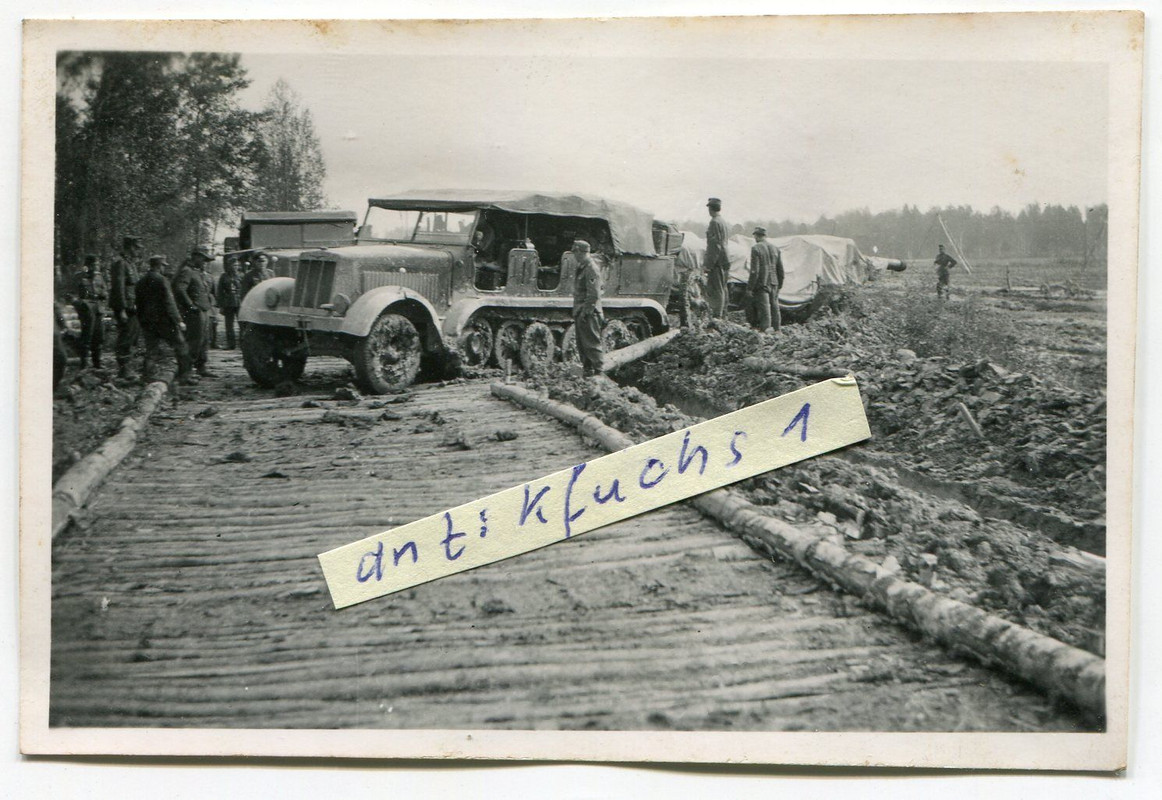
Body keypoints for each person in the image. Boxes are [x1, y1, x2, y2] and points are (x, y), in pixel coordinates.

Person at [135, 254, 192, 385]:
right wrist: (178, 320)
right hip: (164, 321)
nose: (164, 268)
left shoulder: (141, 281)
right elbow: (169, 302)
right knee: (181, 345)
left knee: (151, 350)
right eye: (163, 266)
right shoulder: (162, 280)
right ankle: (185, 376)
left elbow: (138, 303)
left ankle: (146, 377)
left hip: (147, 321)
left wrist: (142, 319)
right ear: (159, 266)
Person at [173, 246, 214, 377]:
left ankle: (201, 366)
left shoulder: (198, 272)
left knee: (204, 340)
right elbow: (179, 289)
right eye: (203, 259)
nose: (205, 262)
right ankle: (187, 371)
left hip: (203, 310)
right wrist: (190, 305)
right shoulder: (187, 271)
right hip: (195, 312)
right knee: (194, 341)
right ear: (196, 257)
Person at [109, 235, 144, 380]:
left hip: (132, 306)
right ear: (129, 247)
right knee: (126, 337)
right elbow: (119, 287)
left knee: (132, 336)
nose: (138, 251)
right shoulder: (120, 263)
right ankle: (124, 369)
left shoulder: (131, 264)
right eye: (136, 248)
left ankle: (127, 368)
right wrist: (122, 309)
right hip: (125, 307)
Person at [571, 239, 604, 377]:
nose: (574, 255)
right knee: (582, 345)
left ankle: (599, 373)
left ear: (580, 252)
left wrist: (586, 312)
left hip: (589, 312)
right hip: (582, 311)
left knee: (592, 344)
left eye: (575, 252)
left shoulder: (591, 268)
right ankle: (588, 372)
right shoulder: (583, 267)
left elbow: (594, 294)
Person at [72, 254, 108, 369]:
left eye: (97, 264)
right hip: (86, 310)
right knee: (87, 336)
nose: (96, 267)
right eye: (94, 265)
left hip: (98, 309)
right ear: (88, 265)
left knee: (99, 336)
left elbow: (105, 291)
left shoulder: (99, 277)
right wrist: (81, 305)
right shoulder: (79, 276)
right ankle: (84, 364)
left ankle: (97, 363)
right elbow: (72, 295)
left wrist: (102, 295)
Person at [746, 227, 784, 333]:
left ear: (756, 236)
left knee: (765, 309)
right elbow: (780, 270)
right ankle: (777, 330)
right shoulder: (775, 249)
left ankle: (766, 331)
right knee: (775, 307)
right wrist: (779, 284)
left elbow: (755, 271)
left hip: (762, 283)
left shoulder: (756, 248)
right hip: (774, 282)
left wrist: (750, 288)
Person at [704, 197, 731, 318]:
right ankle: (723, 314)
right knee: (723, 288)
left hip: (717, 260)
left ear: (711, 209)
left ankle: (717, 316)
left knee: (716, 289)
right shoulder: (723, 221)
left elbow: (715, 246)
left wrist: (709, 264)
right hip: (724, 259)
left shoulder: (714, 222)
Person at [216, 256, 243, 349]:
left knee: (242, 323)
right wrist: (221, 305)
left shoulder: (241, 275)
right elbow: (220, 291)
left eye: (237, 265)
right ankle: (231, 344)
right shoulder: (224, 276)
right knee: (229, 324)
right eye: (233, 265)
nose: (235, 267)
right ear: (229, 266)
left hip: (239, 302)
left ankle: (243, 343)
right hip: (228, 302)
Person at [198, 254, 219, 349]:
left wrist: (216, 304)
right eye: (203, 263)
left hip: (209, 303)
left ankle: (213, 342)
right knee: (202, 324)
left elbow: (214, 291)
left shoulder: (210, 277)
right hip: (200, 303)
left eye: (206, 263)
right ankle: (203, 343)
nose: (204, 265)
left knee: (213, 323)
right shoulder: (196, 275)